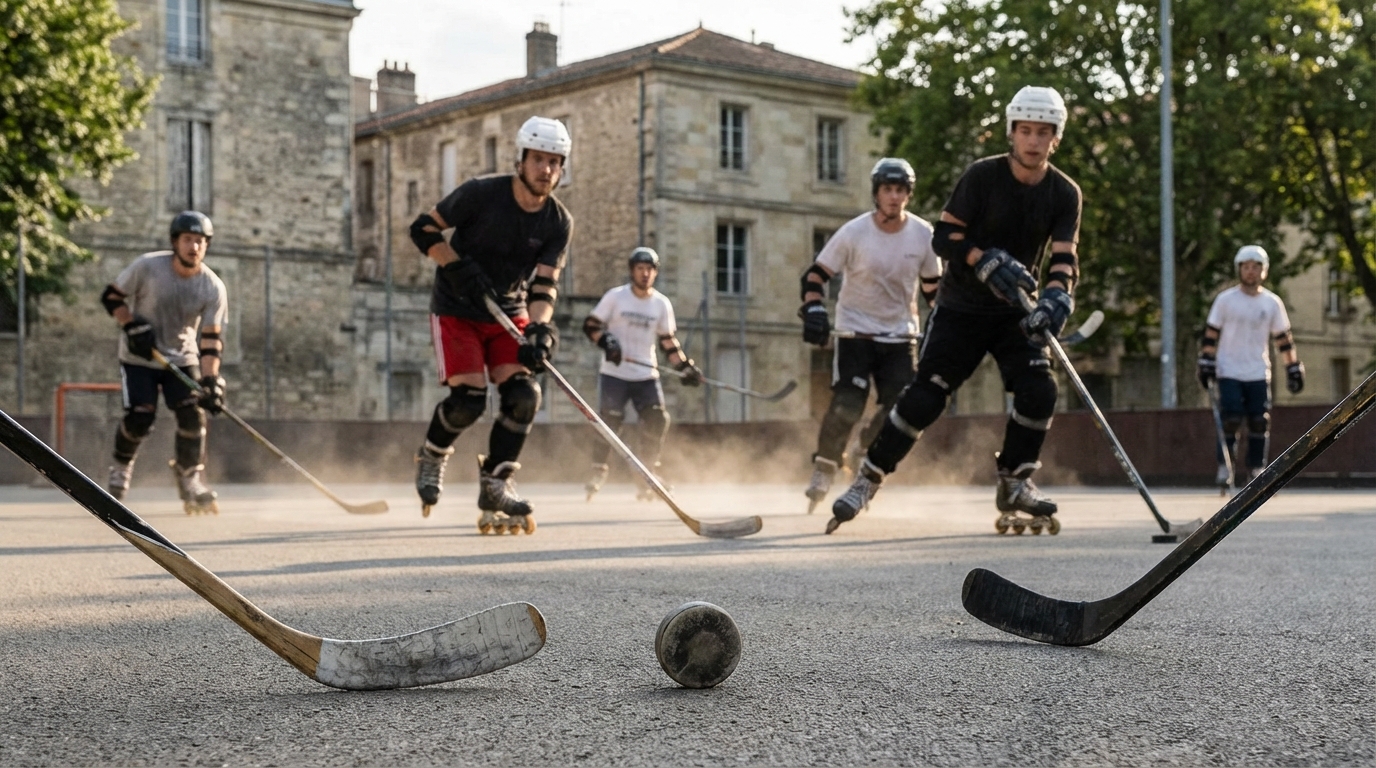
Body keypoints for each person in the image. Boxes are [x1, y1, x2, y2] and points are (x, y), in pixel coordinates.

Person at [827, 85, 1083, 535]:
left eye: (1044, 133)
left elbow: (1064, 256)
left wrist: (1058, 296)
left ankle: (1016, 480)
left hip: (1014, 311)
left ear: (1056, 137)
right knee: (926, 396)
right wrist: (983, 260)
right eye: (1025, 130)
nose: (1033, 141)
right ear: (1011, 131)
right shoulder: (982, 177)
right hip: (962, 306)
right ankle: (868, 477)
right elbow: (944, 237)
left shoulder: (1064, 193)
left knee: (1040, 389)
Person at [407, 115, 574, 535]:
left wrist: (538, 330)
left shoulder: (558, 221)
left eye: (555, 162)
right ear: (520, 159)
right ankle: (432, 455)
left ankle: (496, 484)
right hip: (457, 306)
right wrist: (457, 266)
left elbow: (545, 284)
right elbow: (422, 229)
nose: (546, 170)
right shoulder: (481, 194)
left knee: (524, 395)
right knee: (469, 401)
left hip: (508, 309)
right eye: (538, 159)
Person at [798, 157, 942, 513]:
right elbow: (815, 275)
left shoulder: (924, 235)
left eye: (900, 191)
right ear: (876, 194)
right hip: (855, 331)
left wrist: (948, 323)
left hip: (899, 334)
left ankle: (865, 448)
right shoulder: (854, 232)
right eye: (887, 190)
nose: (893, 197)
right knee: (848, 401)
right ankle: (825, 466)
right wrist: (815, 309)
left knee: (901, 405)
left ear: (908, 195)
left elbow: (933, 288)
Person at [101, 211, 228, 515]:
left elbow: (211, 340)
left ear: (206, 246)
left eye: (200, 241)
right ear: (175, 242)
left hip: (182, 358)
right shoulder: (147, 267)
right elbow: (112, 297)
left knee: (193, 415)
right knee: (140, 416)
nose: (194, 247)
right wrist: (131, 326)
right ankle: (120, 469)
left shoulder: (213, 287)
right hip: (140, 357)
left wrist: (210, 381)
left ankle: (190, 478)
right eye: (188, 240)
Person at [581, 247, 705, 501]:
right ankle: (598, 471)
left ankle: (647, 473)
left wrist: (685, 367)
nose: (645, 274)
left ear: (655, 273)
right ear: (632, 270)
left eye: (650, 269)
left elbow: (668, 342)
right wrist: (607, 343)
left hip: (645, 375)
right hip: (615, 373)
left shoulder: (661, 304)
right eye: (640, 268)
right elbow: (591, 326)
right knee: (609, 422)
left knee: (658, 420)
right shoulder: (616, 297)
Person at [1197, 244, 1304, 488]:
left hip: (1258, 370)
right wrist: (1206, 361)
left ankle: (1257, 468)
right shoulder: (1225, 300)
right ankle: (1225, 466)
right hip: (1229, 370)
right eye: (1246, 267)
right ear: (1239, 270)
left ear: (1264, 271)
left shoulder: (1272, 303)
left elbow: (1283, 339)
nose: (1251, 272)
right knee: (1231, 418)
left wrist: (1292, 367)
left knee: (1259, 420)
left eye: (1256, 267)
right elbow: (1211, 334)